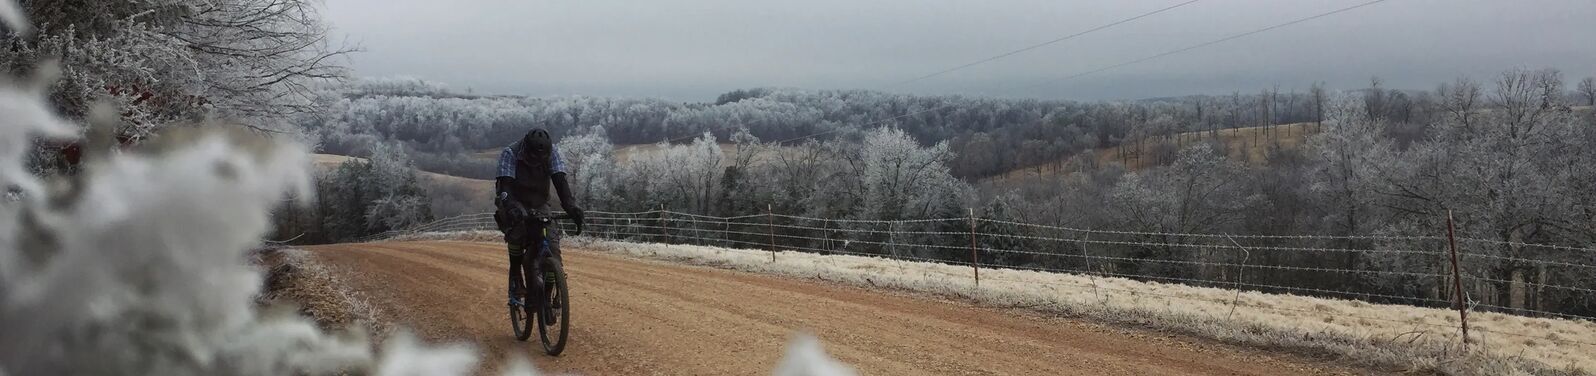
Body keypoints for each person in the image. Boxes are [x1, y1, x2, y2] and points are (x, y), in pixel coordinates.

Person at [495, 128, 583, 325]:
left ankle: (547, 296)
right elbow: (505, 187)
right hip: (513, 199)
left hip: (539, 202)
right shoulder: (510, 153)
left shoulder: (552, 153)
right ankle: (517, 273)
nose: (536, 162)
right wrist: (511, 207)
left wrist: (571, 206)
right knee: (516, 232)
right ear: (526, 149)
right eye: (533, 158)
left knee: (552, 247)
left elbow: (561, 183)